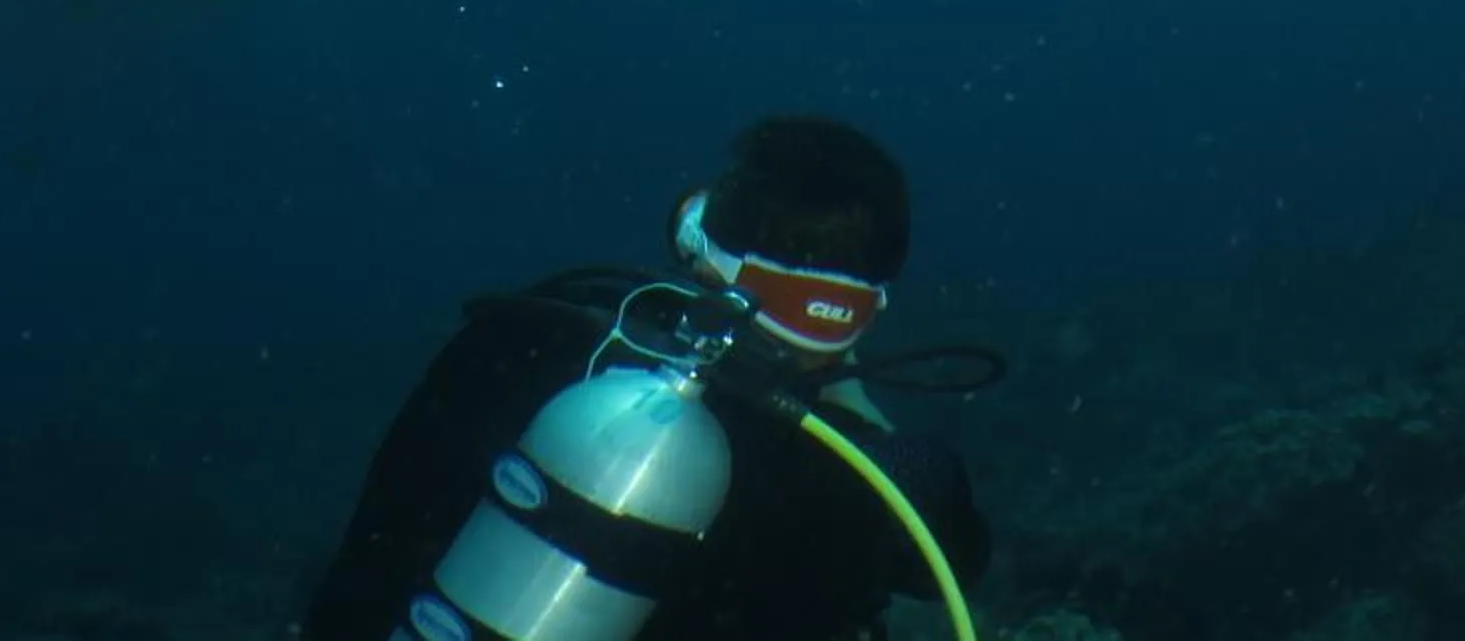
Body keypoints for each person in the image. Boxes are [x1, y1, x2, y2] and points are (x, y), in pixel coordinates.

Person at [300, 114, 994, 641]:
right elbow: (952, 568)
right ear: (867, 309)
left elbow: (377, 546)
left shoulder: (523, 335)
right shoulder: (882, 477)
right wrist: (852, 408)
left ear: (702, 256)